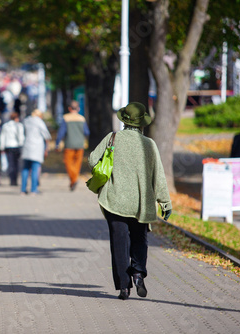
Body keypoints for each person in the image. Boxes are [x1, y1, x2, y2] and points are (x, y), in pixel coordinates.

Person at [88, 102, 172, 300]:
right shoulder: (149, 144)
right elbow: (158, 176)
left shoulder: (113, 138)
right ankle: (138, 273)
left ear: (124, 120)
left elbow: (92, 159)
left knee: (119, 242)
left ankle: (123, 287)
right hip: (141, 202)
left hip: (114, 200)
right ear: (142, 122)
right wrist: (165, 202)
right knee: (139, 238)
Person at [56, 100, 90, 191]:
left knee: (69, 164)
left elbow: (61, 133)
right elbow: (86, 132)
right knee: (77, 164)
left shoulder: (66, 118)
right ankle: (74, 180)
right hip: (80, 144)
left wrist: (57, 143)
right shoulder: (82, 119)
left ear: (69, 108)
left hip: (69, 144)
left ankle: (73, 180)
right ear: (78, 109)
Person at [20, 109, 51, 195]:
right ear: (40, 115)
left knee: (25, 169)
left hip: (26, 147)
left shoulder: (26, 121)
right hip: (36, 148)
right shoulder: (39, 122)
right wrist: (47, 148)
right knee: (35, 169)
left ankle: (23, 189)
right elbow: (46, 135)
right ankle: (33, 190)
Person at [0, 112, 25, 186]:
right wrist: (21, 144)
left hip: (8, 146)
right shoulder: (19, 126)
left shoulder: (6, 126)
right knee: (16, 164)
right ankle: (15, 180)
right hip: (16, 146)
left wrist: (2, 146)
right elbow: (21, 137)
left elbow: (3, 136)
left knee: (11, 163)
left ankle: (11, 179)